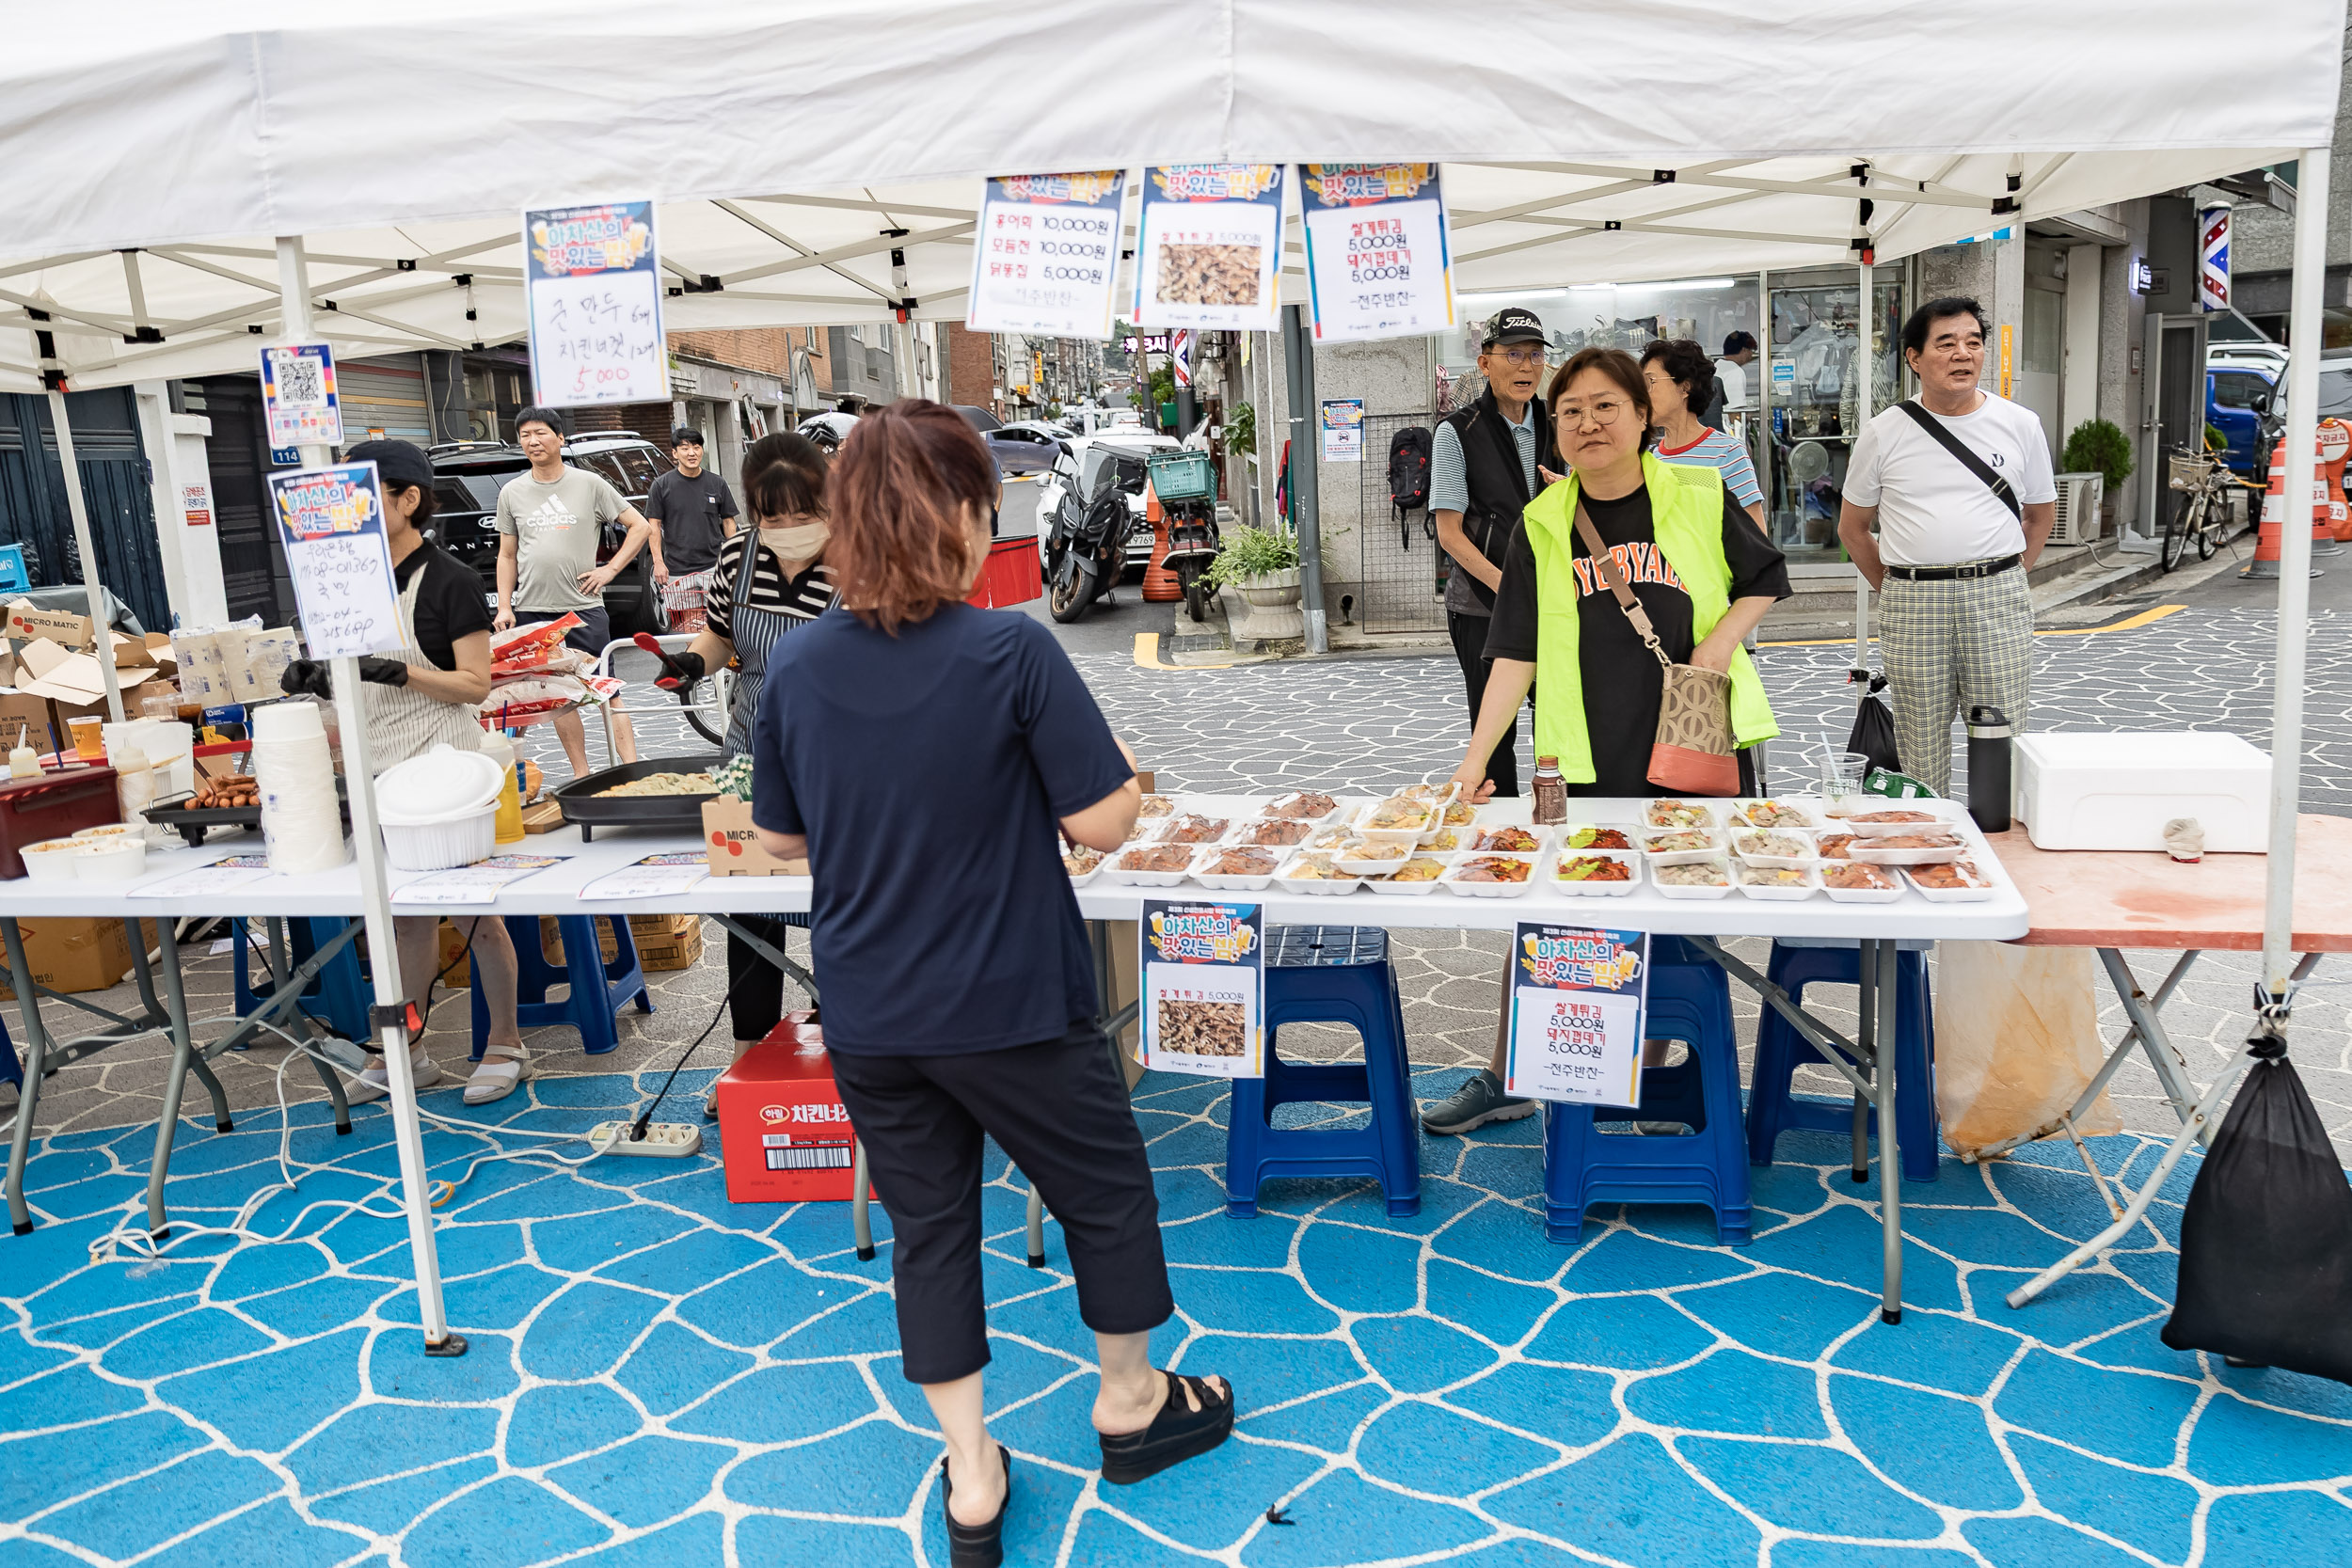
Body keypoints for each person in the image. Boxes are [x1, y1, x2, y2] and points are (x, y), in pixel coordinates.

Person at [749, 401, 1231, 1565]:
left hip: (871, 1007)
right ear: (960, 514)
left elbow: (777, 843)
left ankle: (972, 1475)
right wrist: (1119, 786)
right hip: (1013, 995)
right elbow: (1101, 816)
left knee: (928, 1231)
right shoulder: (1008, 646)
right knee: (1103, 1190)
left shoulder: (800, 664)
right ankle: (1126, 1402)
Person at [1419, 347, 1790, 1137]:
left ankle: (1643, 1078)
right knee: (1560, 906)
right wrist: (1474, 758)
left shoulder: (1698, 490)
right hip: (1586, 747)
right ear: (1555, 428)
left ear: (1643, 414)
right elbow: (1513, 651)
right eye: (1570, 410)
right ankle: (1510, 1073)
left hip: (1692, 736)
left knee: (1680, 909)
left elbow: (1765, 575)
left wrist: (1720, 644)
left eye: (1605, 405)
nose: (1588, 423)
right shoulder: (1541, 523)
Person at [278, 440, 533, 1106]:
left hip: (447, 773)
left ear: (408, 499)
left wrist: (399, 669)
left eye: (360, 495)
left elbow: (476, 684)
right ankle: (407, 1051)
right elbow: (352, 688)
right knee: (404, 924)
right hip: (378, 776)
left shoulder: (448, 580)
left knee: (475, 916)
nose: (346, 511)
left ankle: (504, 1040)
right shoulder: (346, 583)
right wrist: (315, 683)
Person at [640, 432, 838, 1114]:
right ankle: (749, 1056)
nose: (786, 529)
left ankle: (854, 1045)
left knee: (842, 904)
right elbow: (722, 633)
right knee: (750, 910)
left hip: (841, 761)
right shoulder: (737, 554)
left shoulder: (862, 561)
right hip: (750, 751)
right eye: (771, 516)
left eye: (801, 512)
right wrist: (691, 663)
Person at [1837, 297, 2057, 798]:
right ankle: (1931, 845)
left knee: (2001, 730)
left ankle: (1998, 843)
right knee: (1920, 737)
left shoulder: (2020, 424)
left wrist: (2009, 576)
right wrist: (1895, 588)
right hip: (1913, 600)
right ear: (1914, 358)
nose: (1964, 354)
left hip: (1997, 592)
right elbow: (1854, 527)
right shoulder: (1883, 431)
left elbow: (2040, 514)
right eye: (1947, 343)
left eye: (1973, 343)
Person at [1433, 306, 1562, 798]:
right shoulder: (1457, 432)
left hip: (1555, 598)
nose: (1526, 366)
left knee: (1558, 718)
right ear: (1485, 364)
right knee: (1495, 731)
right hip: (1484, 605)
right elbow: (1450, 534)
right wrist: (1510, 588)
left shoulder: (1558, 424)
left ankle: (1561, 817)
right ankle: (1501, 835)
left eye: (1534, 355)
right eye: (1513, 354)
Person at [491, 405, 648, 776]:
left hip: (582, 608)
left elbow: (640, 526)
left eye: (541, 433)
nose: (533, 441)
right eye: (525, 435)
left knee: (606, 690)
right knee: (560, 697)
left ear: (560, 438)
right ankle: (581, 773)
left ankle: (633, 769)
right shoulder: (512, 492)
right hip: (533, 610)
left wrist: (610, 569)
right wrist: (504, 606)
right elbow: (507, 554)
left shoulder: (589, 484)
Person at [1643, 339, 1768, 534]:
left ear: (1685, 388)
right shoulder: (1650, 460)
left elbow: (1756, 537)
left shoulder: (1727, 453)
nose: (1642, 393)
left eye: (1650, 382)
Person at [643, 425, 739, 626]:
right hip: (678, 570)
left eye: (696, 447)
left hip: (714, 568)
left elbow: (729, 523)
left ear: (702, 450)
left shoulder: (717, 483)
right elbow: (654, 526)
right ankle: (699, 658)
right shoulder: (661, 485)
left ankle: (718, 659)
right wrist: (658, 562)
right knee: (690, 628)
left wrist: (734, 559)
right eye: (685, 448)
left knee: (721, 627)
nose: (692, 453)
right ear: (675, 453)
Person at [1715, 330, 1759, 414]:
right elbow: (1736, 410)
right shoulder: (1734, 371)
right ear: (1744, 350)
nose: (1751, 356)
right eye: (1752, 351)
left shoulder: (1717, 366)